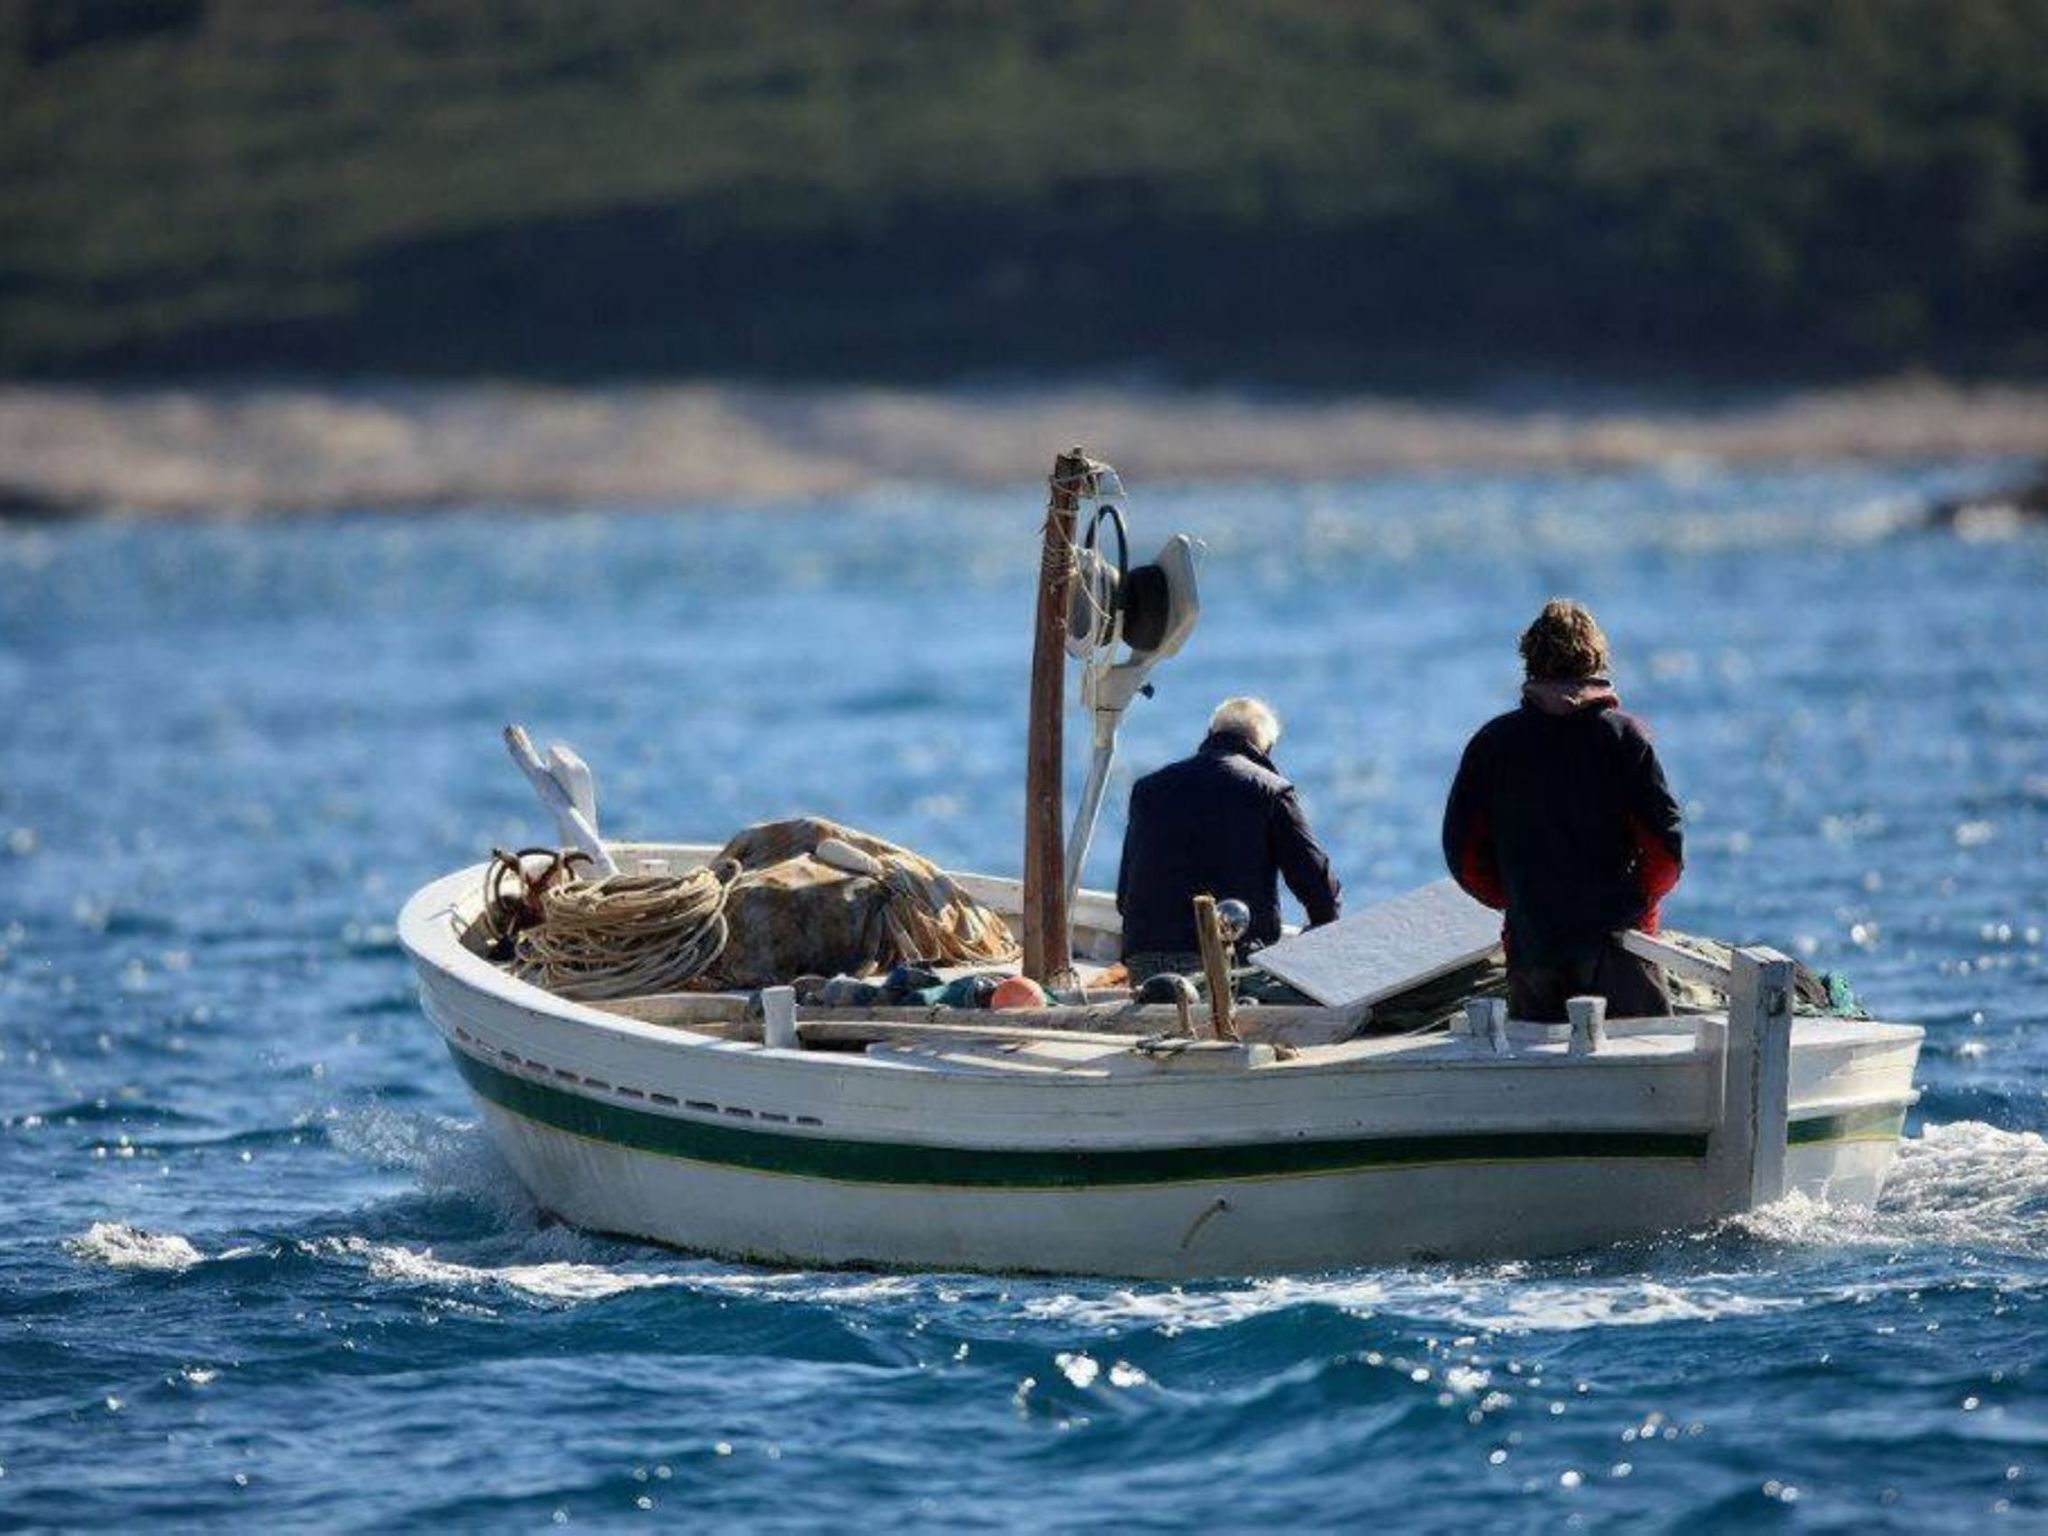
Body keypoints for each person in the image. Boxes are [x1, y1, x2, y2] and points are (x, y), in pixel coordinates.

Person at [1442, 599, 1683, 1021]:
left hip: (1534, 946)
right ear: (1595, 657)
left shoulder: (1493, 744)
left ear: (1529, 659)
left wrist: (1521, 899)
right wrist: (1634, 902)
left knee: (1539, 1076)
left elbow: (1464, 856)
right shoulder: (1625, 739)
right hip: (1619, 943)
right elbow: (1665, 850)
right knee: (1647, 1067)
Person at [1116, 696, 1342, 982]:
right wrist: (1319, 939)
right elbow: (1319, 891)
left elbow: (1125, 898)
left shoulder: (1149, 789)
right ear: (1267, 748)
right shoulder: (1270, 791)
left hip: (1147, 964)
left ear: (1211, 735)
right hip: (1229, 964)